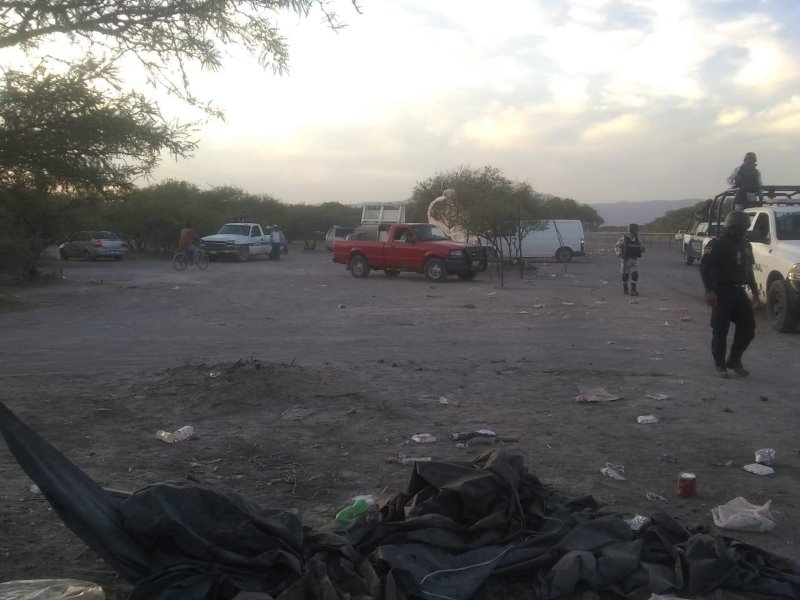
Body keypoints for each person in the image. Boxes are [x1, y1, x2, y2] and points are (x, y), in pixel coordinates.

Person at [699, 210, 759, 378]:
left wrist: (755, 291)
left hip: (739, 291)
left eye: (745, 228)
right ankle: (720, 363)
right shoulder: (717, 244)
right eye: (739, 228)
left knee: (748, 327)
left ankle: (734, 360)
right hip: (722, 291)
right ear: (731, 227)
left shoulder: (746, 245)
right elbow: (705, 267)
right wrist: (709, 290)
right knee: (721, 329)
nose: (742, 231)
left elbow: (748, 270)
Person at [614, 223, 645, 296]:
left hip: (634, 259)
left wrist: (642, 249)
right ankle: (625, 289)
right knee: (625, 275)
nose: (636, 232)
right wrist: (620, 254)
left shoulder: (638, 238)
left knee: (635, 274)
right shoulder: (623, 238)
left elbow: (641, 247)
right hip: (625, 259)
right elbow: (617, 246)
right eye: (635, 230)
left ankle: (633, 290)